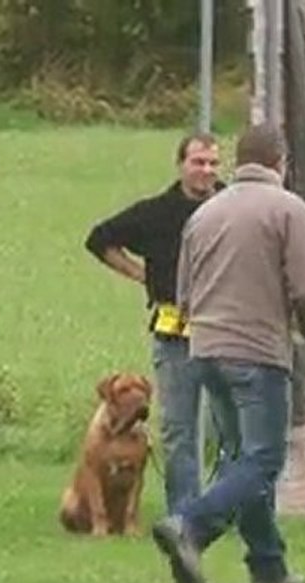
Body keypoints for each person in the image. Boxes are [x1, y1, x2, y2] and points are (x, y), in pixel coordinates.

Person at [151, 123, 305, 583]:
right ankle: (189, 524)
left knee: (240, 459)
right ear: (281, 162)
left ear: (237, 162)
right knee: (264, 458)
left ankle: (268, 565)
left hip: (203, 348)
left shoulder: (206, 213)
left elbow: (182, 289)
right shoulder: (290, 209)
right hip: (257, 351)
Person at [85, 132, 223, 515]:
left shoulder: (232, 205)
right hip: (174, 331)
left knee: (233, 429)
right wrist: (138, 274)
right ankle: (184, 515)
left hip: (227, 331)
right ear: (181, 165)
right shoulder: (156, 212)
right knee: (179, 430)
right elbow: (99, 239)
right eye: (198, 162)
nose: (206, 170)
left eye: (213, 163)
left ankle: (230, 508)